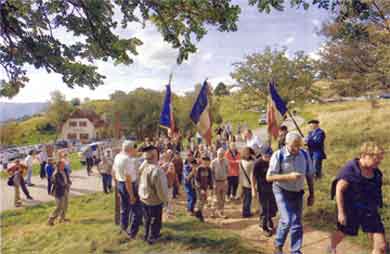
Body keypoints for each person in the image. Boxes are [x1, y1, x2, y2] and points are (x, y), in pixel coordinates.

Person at [328, 142, 386, 254]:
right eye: (376, 158)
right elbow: (339, 190)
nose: (379, 161)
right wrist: (341, 212)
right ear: (365, 155)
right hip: (351, 209)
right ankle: (331, 246)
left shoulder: (376, 173)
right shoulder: (350, 169)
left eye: (380, 159)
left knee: (381, 246)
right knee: (343, 233)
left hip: (370, 210)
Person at [266, 132, 315, 254]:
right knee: (287, 220)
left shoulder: (304, 154)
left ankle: (295, 250)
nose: (297, 149)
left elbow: (309, 175)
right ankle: (278, 244)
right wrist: (289, 176)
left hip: (297, 192)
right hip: (281, 191)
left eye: (299, 145)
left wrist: (312, 194)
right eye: (294, 146)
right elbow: (269, 177)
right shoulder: (278, 155)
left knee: (297, 222)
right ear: (286, 143)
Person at [138, 145, 169, 244]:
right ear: (156, 156)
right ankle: (153, 238)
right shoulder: (157, 170)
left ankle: (147, 235)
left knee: (147, 219)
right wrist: (165, 200)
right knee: (155, 220)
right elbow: (161, 189)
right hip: (154, 200)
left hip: (143, 197)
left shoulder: (143, 165)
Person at [113, 141, 142, 239]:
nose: (136, 151)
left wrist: (117, 187)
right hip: (128, 186)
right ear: (130, 149)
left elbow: (113, 172)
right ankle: (132, 233)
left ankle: (123, 228)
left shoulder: (118, 156)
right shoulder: (127, 160)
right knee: (136, 211)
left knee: (124, 209)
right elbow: (128, 178)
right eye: (135, 149)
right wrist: (132, 195)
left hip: (120, 184)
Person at [253, 146, 277, 237]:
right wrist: (253, 189)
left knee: (273, 207)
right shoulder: (258, 163)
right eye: (266, 156)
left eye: (270, 156)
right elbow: (253, 177)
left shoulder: (273, 162)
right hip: (262, 188)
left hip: (272, 187)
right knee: (264, 208)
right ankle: (264, 227)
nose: (268, 158)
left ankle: (269, 219)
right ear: (262, 154)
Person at [48, 160, 71, 225]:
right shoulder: (56, 173)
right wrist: (66, 184)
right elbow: (59, 182)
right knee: (59, 207)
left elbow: (67, 177)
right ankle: (50, 220)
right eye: (62, 165)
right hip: (58, 192)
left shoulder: (64, 170)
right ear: (58, 166)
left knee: (65, 205)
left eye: (64, 165)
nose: (64, 166)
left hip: (65, 190)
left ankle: (62, 218)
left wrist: (69, 181)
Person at [210, 148, 229, 218]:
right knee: (215, 198)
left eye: (222, 154)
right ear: (217, 154)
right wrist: (213, 183)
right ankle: (213, 212)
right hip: (216, 182)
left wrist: (226, 180)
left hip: (224, 182)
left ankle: (221, 212)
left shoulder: (226, 161)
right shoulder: (213, 162)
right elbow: (211, 173)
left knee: (223, 198)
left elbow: (227, 171)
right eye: (219, 154)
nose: (221, 155)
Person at [194, 155, 213, 222]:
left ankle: (198, 213)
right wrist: (200, 188)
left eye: (207, 161)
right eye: (204, 161)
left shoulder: (209, 169)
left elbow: (210, 179)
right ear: (202, 161)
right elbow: (196, 180)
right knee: (200, 200)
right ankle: (198, 213)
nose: (206, 163)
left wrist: (211, 187)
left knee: (204, 201)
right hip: (199, 188)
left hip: (205, 188)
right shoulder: (199, 169)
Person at [239, 147, 256, 218]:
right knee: (248, 199)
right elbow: (252, 174)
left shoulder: (240, 162)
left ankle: (245, 211)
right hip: (249, 183)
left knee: (245, 198)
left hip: (243, 182)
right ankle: (246, 213)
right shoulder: (251, 163)